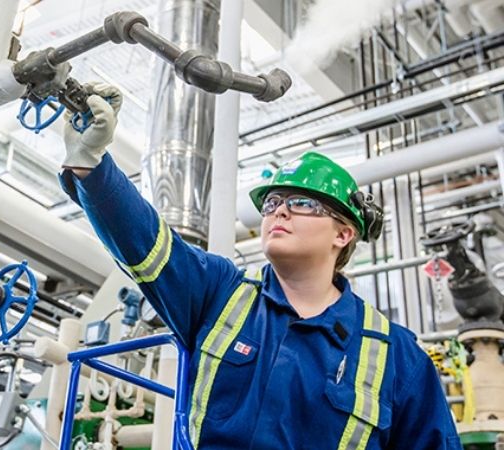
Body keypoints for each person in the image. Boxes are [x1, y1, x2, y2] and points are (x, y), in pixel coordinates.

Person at [57, 83, 461, 449]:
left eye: (302, 203)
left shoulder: (397, 356)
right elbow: (146, 241)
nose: (279, 211)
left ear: (343, 234)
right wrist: (90, 162)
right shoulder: (220, 294)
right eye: (271, 203)